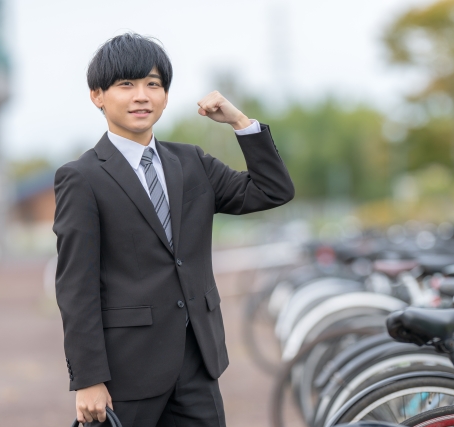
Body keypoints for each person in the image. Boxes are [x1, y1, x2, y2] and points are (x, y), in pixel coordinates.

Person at [53, 33, 295, 427]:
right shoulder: (81, 178)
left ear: (165, 94)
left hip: (197, 364)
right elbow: (76, 286)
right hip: (125, 374)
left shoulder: (191, 162)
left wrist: (240, 123)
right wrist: (88, 378)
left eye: (153, 84)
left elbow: (272, 190)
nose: (142, 96)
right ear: (98, 95)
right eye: (126, 85)